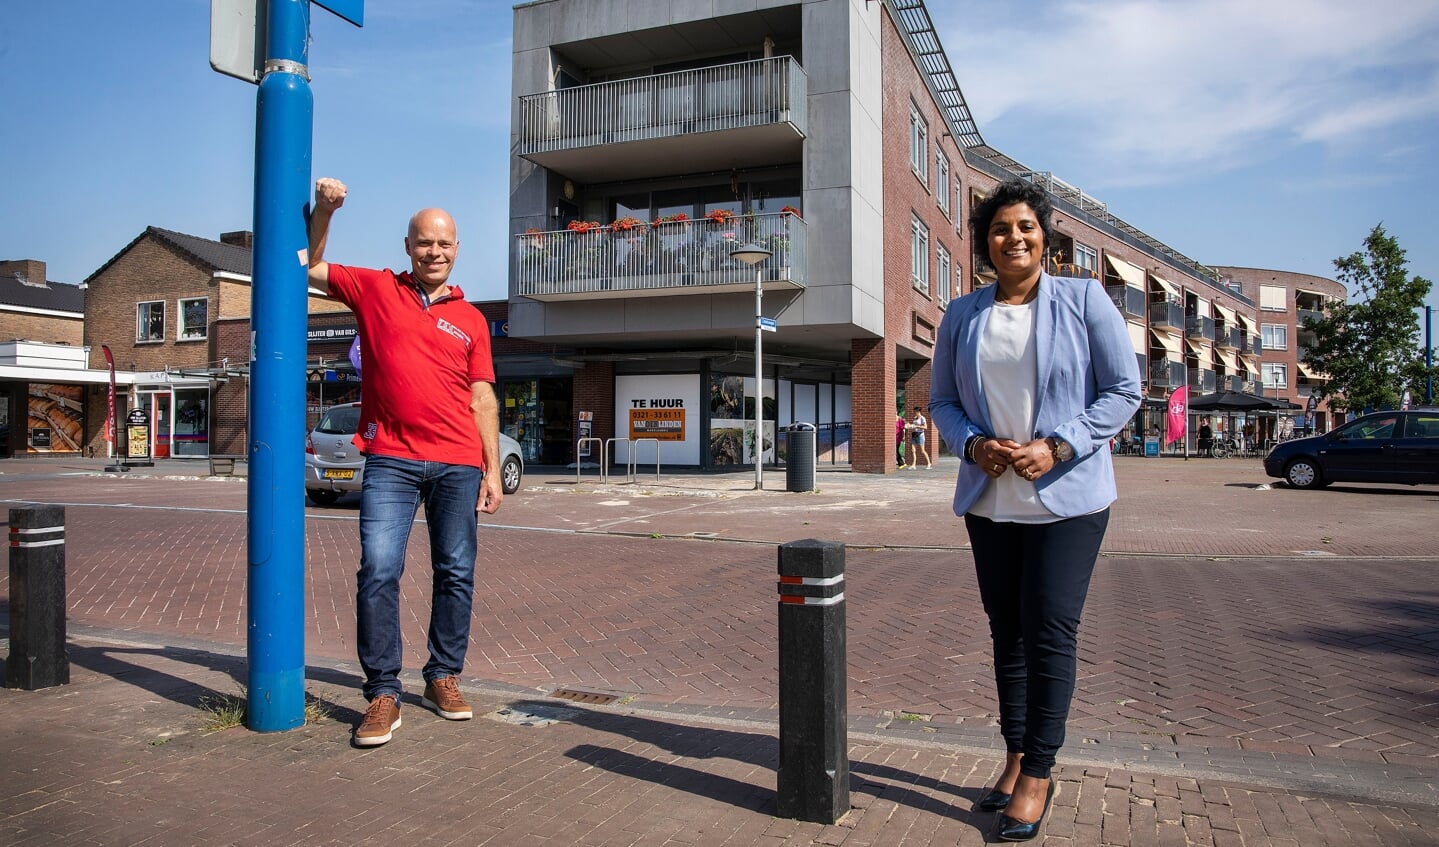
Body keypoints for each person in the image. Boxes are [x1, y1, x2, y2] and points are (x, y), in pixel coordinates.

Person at [930, 179, 1140, 841]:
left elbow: (1122, 390)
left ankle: (1039, 771)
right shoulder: (962, 314)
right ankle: (1015, 751)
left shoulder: (1082, 301)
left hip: (1067, 500)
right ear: (984, 242)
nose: (1011, 238)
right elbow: (941, 402)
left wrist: (1059, 445)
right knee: (1006, 633)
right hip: (991, 499)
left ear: (1044, 236)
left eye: (1024, 227)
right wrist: (972, 443)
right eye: (998, 229)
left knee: (1049, 629)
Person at [308, 177, 505, 747]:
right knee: (379, 570)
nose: (434, 252)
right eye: (424, 243)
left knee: (457, 573)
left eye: (444, 244)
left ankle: (443, 675)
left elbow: (483, 397)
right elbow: (309, 266)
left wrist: (492, 469)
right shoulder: (374, 289)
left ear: (457, 248)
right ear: (408, 246)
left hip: (458, 462)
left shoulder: (471, 319)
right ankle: (384, 692)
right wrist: (324, 210)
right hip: (391, 458)